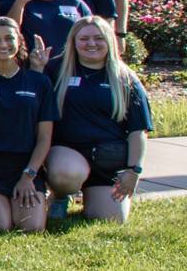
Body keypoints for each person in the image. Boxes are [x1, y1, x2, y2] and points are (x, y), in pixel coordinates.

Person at [44, 16, 149, 223]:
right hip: (68, 154)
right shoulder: (55, 70)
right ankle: (60, 195)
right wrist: (37, 69)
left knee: (112, 219)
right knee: (65, 175)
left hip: (108, 161)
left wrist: (133, 170)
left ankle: (93, 197)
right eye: (84, 39)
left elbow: (139, 131)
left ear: (109, 41)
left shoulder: (126, 78)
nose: (91, 44)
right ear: (73, 41)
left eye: (98, 38)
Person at [0, 19, 55, 233]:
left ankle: (46, 200)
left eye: (9, 38)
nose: (2, 44)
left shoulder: (38, 81)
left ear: (19, 41)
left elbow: (44, 138)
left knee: (31, 227)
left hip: (24, 167)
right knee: (0, 226)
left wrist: (28, 176)